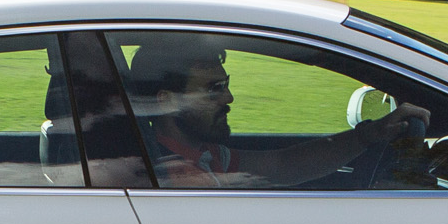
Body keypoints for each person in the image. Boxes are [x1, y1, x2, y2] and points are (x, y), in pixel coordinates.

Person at [125, 35, 428, 188]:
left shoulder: (203, 154)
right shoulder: (178, 174)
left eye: (225, 85)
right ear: (166, 101)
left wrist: (369, 134)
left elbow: (284, 163)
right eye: (213, 89)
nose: (229, 97)